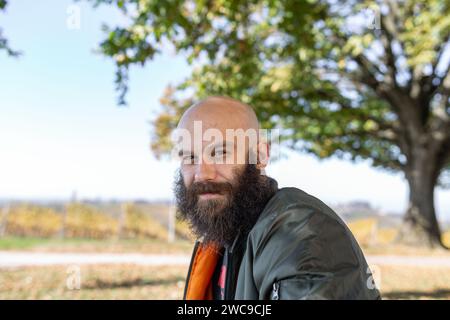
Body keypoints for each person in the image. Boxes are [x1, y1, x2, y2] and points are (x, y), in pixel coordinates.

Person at [173, 96, 381, 300]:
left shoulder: (300, 232)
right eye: (190, 157)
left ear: (260, 155)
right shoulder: (225, 234)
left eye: (220, 153)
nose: (202, 174)